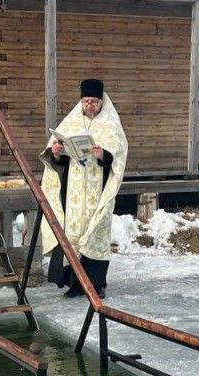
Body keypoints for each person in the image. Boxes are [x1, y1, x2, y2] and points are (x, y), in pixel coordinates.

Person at [40, 79, 128, 299]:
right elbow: (55, 160)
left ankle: (97, 285)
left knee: (95, 233)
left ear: (101, 101)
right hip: (73, 192)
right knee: (72, 235)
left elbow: (118, 154)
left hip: (97, 190)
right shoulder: (70, 123)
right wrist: (58, 151)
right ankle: (75, 284)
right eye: (86, 101)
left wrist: (103, 156)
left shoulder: (110, 124)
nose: (90, 105)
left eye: (94, 102)